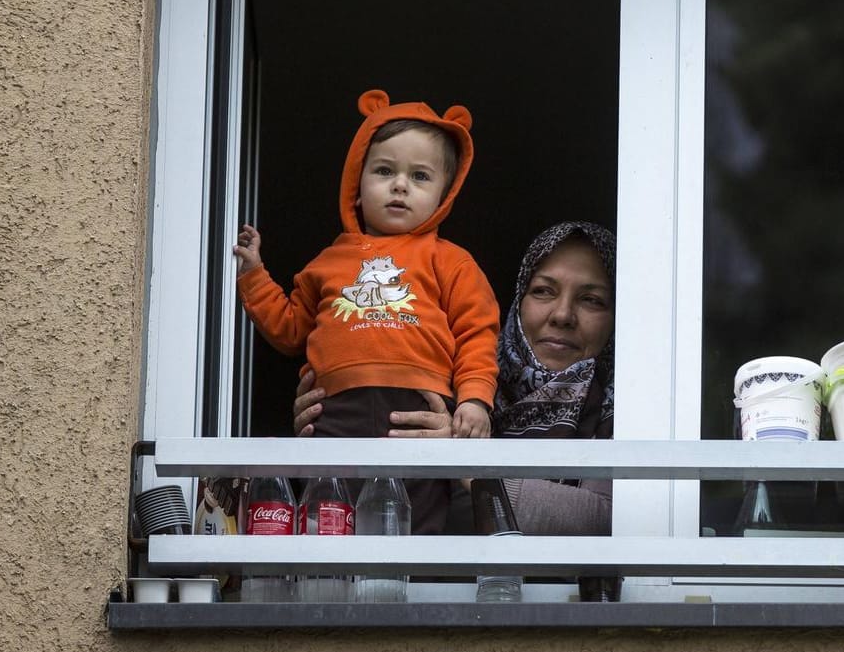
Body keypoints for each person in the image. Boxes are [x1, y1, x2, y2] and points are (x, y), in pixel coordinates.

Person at [233, 89, 500, 534]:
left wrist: (474, 399)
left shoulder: (451, 260)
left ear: (443, 196)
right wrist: (254, 275)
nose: (400, 185)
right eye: (383, 170)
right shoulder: (328, 261)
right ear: (356, 184)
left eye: (419, 176)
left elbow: (477, 335)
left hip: (418, 409)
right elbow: (289, 330)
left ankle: (412, 598)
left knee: (416, 526)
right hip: (335, 411)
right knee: (331, 520)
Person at [293, 221, 616, 536]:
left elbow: (610, 518)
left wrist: (466, 465)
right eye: (544, 291)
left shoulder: (628, 410)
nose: (562, 315)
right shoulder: (451, 383)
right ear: (519, 300)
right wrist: (336, 424)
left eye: (592, 300)